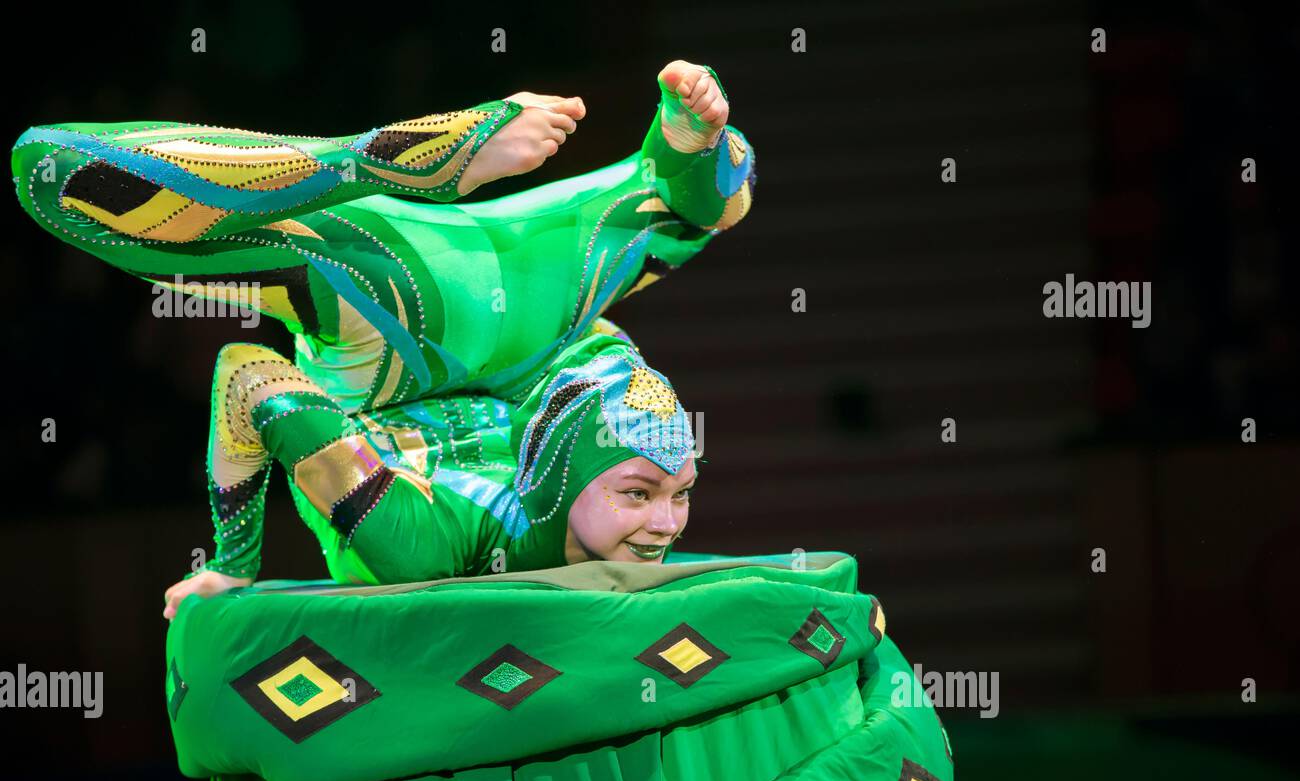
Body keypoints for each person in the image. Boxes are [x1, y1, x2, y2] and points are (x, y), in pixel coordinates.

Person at [9, 60, 756, 614]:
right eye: (651, 493)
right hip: (510, 311)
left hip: (406, 317)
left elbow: (247, 373)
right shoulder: (523, 486)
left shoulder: (421, 546)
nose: (666, 527)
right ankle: (675, 156)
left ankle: (390, 158)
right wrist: (695, 155)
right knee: (710, 205)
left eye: (670, 495)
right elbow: (606, 339)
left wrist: (236, 565)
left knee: (58, 177)